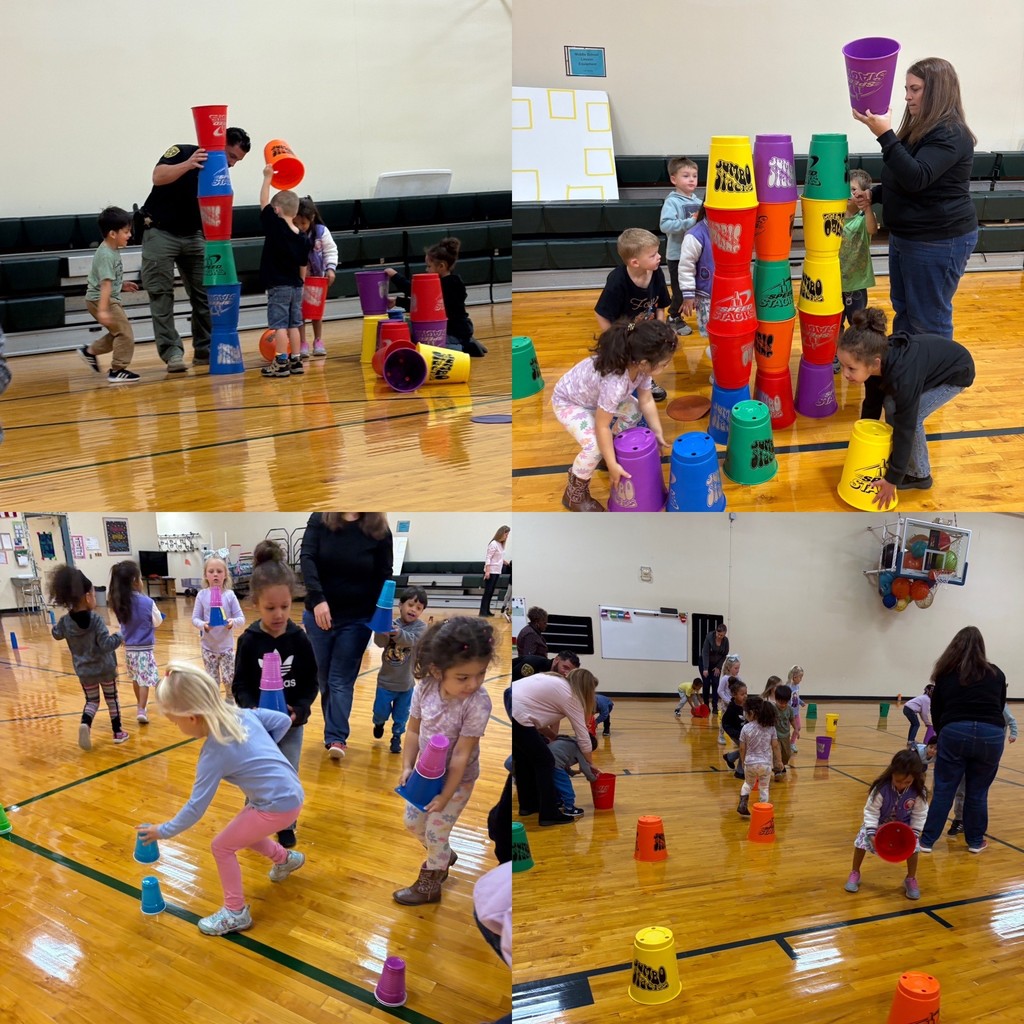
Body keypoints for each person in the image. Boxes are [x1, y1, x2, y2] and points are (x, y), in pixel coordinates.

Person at [136, 661, 305, 936]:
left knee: (221, 846)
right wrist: (263, 751)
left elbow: (195, 807)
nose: (176, 726)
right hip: (288, 793)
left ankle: (235, 913)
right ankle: (285, 859)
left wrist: (162, 831)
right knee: (241, 834)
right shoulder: (243, 714)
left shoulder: (214, 753)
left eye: (175, 722)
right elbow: (284, 720)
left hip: (275, 805)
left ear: (192, 717)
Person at [852, 58, 978, 338]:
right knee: (905, 310)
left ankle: (936, 368)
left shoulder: (951, 133)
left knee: (928, 320)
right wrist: (874, 194)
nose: (907, 97)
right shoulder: (920, 129)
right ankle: (907, 361)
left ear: (937, 91)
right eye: (907, 89)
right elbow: (901, 177)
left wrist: (885, 135)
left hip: (937, 239)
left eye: (915, 89)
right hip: (908, 236)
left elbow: (917, 177)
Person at [393, 617, 495, 905]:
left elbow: (461, 755)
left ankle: (431, 883)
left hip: (457, 780)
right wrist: (407, 766)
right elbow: (413, 730)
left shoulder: (477, 703)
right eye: (463, 677)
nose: (473, 684)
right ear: (437, 670)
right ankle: (443, 855)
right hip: (425, 774)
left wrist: (446, 795)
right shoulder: (424, 688)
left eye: (481, 674)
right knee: (412, 823)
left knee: (436, 831)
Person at [837, 307, 975, 507]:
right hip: (929, 368)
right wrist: (863, 444)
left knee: (911, 416)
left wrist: (893, 478)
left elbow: (906, 427)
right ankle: (903, 463)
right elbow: (872, 403)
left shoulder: (902, 377)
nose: (845, 374)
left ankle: (920, 474)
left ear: (874, 363)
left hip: (956, 373)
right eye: (842, 365)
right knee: (890, 403)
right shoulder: (875, 362)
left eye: (851, 368)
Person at [140, 127, 251, 372]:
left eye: (238, 161)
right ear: (221, 144)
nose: (232, 164)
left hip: (195, 235)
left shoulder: (221, 172)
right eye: (231, 156)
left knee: (206, 295)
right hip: (160, 231)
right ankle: (172, 353)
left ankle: (205, 349)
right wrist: (189, 164)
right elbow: (158, 176)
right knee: (161, 295)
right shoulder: (183, 151)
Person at [231, 541, 318, 849]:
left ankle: (286, 823)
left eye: (285, 606)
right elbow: (240, 685)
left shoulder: (299, 640)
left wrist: (301, 710)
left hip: (291, 726)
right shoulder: (249, 641)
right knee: (255, 774)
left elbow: (310, 683)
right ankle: (252, 819)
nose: (279, 614)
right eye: (270, 608)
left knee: (286, 775)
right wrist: (252, 710)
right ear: (256, 603)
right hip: (257, 727)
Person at [552, 319, 678, 511]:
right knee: (594, 447)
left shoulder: (641, 367)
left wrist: (657, 431)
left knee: (633, 411)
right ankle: (574, 494)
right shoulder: (615, 383)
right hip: (569, 403)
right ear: (645, 363)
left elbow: (646, 400)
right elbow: (602, 425)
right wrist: (612, 465)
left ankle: (609, 448)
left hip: (595, 400)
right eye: (664, 364)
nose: (666, 367)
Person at [300, 512, 394, 760]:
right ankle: (333, 732)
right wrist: (318, 599)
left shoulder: (379, 528)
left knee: (340, 680)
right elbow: (307, 557)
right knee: (324, 679)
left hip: (357, 618)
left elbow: (385, 574)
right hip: (319, 615)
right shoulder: (320, 518)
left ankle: (336, 737)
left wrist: (382, 617)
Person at [918, 626, 1007, 855]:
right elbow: (999, 706)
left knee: (944, 790)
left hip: (955, 731)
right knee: (978, 792)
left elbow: (936, 711)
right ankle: (975, 842)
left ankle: (926, 841)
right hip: (992, 735)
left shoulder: (946, 674)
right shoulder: (997, 673)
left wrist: (942, 735)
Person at [48, 565, 128, 749]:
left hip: (85, 671)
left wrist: (59, 625)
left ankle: (85, 723)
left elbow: (56, 634)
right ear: (87, 597)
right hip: (105, 669)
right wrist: (119, 636)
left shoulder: (66, 622)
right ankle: (118, 732)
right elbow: (106, 644)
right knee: (111, 699)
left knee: (92, 701)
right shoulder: (96, 619)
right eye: (93, 593)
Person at [511, 668, 599, 827]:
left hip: (510, 706)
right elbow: (583, 735)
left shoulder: (556, 682)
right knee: (546, 762)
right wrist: (590, 763)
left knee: (524, 760)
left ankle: (528, 806)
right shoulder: (571, 696)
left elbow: (535, 718)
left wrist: (553, 736)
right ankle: (549, 814)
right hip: (518, 714)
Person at [844, 749, 928, 901]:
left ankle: (910, 878)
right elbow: (871, 811)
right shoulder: (881, 788)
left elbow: (920, 815)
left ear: (915, 778)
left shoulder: (918, 792)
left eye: (907, 782)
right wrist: (871, 833)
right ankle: (855, 872)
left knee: (914, 849)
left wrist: (914, 834)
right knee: (861, 841)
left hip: (904, 826)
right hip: (879, 823)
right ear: (892, 774)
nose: (902, 785)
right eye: (898, 781)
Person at [385, 237, 488, 356]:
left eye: (429, 266)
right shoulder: (447, 282)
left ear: (441, 266)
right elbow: (423, 305)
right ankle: (467, 341)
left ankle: (464, 347)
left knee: (428, 348)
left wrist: (395, 276)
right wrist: (397, 301)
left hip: (453, 332)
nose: (426, 269)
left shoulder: (447, 285)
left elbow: (418, 296)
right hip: (457, 329)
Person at [78, 206, 141, 384]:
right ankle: (117, 370)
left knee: (117, 333)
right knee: (125, 334)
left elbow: (108, 280)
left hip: (101, 298)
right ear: (113, 234)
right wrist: (103, 309)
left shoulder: (111, 249)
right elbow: (105, 284)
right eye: (126, 232)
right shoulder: (106, 254)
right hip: (101, 299)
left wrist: (121, 285)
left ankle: (90, 351)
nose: (129, 235)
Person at [259, 171, 311, 378]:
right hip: (296, 286)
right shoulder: (303, 238)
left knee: (279, 325)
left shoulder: (275, 227)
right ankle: (296, 360)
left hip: (278, 285)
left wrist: (267, 178)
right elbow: (303, 264)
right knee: (294, 324)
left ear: (277, 210)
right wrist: (301, 283)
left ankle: (281, 362)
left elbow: (263, 202)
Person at [372, 586, 429, 754]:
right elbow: (380, 643)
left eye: (419, 608)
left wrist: (396, 633)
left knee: (401, 716)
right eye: (410, 605)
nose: (413, 610)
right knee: (380, 712)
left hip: (406, 685)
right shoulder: (391, 623)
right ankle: (379, 723)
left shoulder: (421, 627)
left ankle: (396, 736)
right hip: (385, 683)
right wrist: (382, 631)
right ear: (400, 605)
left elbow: (413, 640)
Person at [946, 706, 1017, 838]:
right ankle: (959, 819)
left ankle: (973, 825)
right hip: (968, 748)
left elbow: (1011, 720)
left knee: (977, 792)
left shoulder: (999, 705)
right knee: (961, 789)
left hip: (987, 752)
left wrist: (1013, 734)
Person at [108, 560, 163, 724]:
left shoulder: (120, 602)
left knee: (136, 678)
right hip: (144, 649)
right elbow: (157, 621)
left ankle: (141, 704)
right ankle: (141, 709)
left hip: (130, 650)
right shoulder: (148, 602)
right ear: (135, 581)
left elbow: (122, 625)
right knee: (144, 680)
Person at [836, 170, 879, 372]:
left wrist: (868, 208)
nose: (848, 193)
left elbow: (872, 230)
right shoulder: (833, 217)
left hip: (856, 284)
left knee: (857, 324)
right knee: (835, 323)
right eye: (846, 189)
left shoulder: (863, 218)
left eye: (853, 190)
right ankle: (836, 355)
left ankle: (855, 356)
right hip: (835, 282)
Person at [191, 555, 245, 703]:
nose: (215, 574)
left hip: (226, 648)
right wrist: (203, 625)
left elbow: (241, 618)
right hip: (208, 648)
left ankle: (229, 700)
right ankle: (215, 704)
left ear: (225, 574)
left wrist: (232, 622)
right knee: (212, 681)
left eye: (219, 571)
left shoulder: (230, 595)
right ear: (205, 575)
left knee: (229, 679)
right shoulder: (202, 595)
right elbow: (195, 618)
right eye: (211, 571)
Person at [660, 156, 701, 335]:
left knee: (698, 288)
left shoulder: (698, 202)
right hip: (677, 256)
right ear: (673, 179)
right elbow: (665, 225)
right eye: (686, 176)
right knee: (680, 291)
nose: (691, 179)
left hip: (696, 255)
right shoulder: (672, 202)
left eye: (694, 176)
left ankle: (703, 315)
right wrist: (690, 222)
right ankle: (673, 317)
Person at [294, 196, 337, 359]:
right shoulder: (291, 232)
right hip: (299, 281)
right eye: (297, 223)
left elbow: (330, 250)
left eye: (303, 223)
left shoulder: (321, 231)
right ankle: (302, 342)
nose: (300, 227)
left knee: (316, 312)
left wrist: (330, 269)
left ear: (311, 218)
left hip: (317, 280)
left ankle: (318, 340)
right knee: (299, 313)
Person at [736, 696, 782, 816]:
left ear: (751, 713)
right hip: (765, 764)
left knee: (748, 784)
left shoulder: (745, 728)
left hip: (750, 763)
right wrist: (779, 761)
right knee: (764, 787)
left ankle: (743, 804)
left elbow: (742, 748)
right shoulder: (771, 728)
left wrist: (743, 761)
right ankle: (763, 810)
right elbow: (775, 746)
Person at [677, 204, 715, 340]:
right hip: (706, 295)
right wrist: (688, 295)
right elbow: (686, 267)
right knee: (712, 333)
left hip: (728, 292)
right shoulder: (695, 235)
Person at [548, 734, 598, 817]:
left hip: (546, 760)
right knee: (566, 786)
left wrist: (574, 772)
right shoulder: (581, 749)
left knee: (556, 784)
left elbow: (564, 762)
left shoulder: (569, 742)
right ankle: (569, 808)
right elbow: (585, 767)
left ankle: (558, 801)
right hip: (555, 763)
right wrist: (594, 779)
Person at [480, 525, 510, 617]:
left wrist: (504, 561)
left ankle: (487, 610)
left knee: (491, 592)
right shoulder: (493, 544)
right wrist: (487, 571)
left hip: (497, 571)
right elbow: (488, 558)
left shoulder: (500, 544)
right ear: (501, 533)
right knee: (487, 592)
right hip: (491, 571)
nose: (507, 536)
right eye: (506, 534)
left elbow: (498, 557)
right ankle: (483, 611)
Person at [721, 680, 749, 777]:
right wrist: (735, 733)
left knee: (746, 748)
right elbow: (725, 723)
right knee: (745, 748)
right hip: (735, 733)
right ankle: (740, 771)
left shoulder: (747, 705)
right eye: (742, 694)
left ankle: (730, 757)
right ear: (734, 695)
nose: (745, 696)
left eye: (746, 693)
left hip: (745, 733)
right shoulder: (732, 709)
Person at [700, 623, 729, 714]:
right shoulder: (709, 638)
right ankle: (706, 705)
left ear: (725, 634)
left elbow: (724, 655)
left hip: (716, 665)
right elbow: (705, 653)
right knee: (706, 683)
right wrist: (705, 668)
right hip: (704, 662)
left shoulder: (725, 641)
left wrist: (718, 667)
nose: (719, 636)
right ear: (716, 632)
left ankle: (715, 706)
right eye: (718, 634)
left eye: (722, 635)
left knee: (716, 683)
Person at [717, 654, 742, 742]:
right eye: (736, 668)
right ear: (729, 668)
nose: (737, 670)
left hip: (735, 703)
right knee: (724, 720)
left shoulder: (738, 678)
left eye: (738, 668)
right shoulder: (725, 678)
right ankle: (721, 735)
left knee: (736, 719)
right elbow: (720, 691)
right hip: (726, 704)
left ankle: (736, 736)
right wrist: (727, 700)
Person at [772, 683, 794, 776]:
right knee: (777, 754)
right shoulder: (773, 708)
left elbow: (792, 719)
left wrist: (796, 729)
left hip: (786, 735)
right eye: (781, 702)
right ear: (776, 699)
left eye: (785, 702)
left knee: (787, 754)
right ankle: (777, 770)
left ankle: (782, 765)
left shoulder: (789, 709)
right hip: (776, 736)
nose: (783, 705)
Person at [786, 666, 807, 753]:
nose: (801, 680)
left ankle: (792, 743)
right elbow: (786, 699)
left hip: (796, 712)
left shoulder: (797, 686)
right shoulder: (788, 687)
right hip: (788, 713)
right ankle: (785, 744)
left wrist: (801, 702)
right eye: (800, 677)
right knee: (786, 730)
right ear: (794, 677)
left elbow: (796, 697)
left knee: (798, 727)